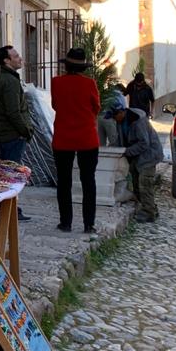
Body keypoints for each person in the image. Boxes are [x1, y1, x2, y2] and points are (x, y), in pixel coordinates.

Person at [51, 46, 101, 234]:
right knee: (88, 181)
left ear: (67, 66)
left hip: (63, 138)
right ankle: (89, 224)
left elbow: (56, 105)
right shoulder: (90, 84)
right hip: (87, 138)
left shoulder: (56, 83)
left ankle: (66, 222)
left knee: (64, 181)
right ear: (83, 68)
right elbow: (96, 107)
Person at [0, 45, 32, 221]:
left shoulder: (10, 79)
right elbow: (13, 112)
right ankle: (8, 208)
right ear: (6, 60)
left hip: (10, 133)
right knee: (11, 173)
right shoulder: (9, 82)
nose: (19, 58)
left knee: (8, 171)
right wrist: (26, 130)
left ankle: (4, 206)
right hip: (12, 134)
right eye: (15, 56)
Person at [114, 103, 163, 223]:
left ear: (121, 112)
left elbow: (144, 143)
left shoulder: (138, 121)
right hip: (137, 156)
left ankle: (149, 213)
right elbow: (121, 140)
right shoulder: (121, 122)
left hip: (149, 155)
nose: (113, 119)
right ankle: (150, 207)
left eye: (115, 116)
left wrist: (127, 151)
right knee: (136, 182)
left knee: (144, 183)